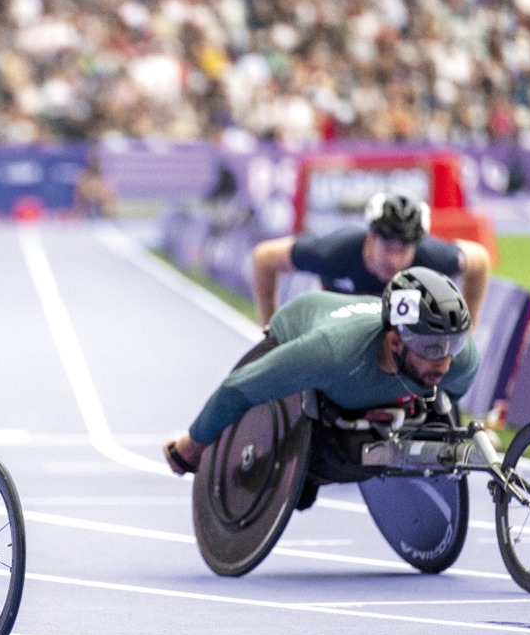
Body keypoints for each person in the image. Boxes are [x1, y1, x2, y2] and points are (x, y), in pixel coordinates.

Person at [164, 267, 480, 496]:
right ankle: (305, 472)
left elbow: (446, 405)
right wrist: (191, 446)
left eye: (455, 343)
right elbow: (238, 389)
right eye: (432, 348)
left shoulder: (462, 362)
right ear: (396, 342)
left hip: (360, 366)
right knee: (323, 473)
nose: (446, 360)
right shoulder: (329, 353)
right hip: (304, 329)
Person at [249, 192, 491, 328]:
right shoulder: (334, 253)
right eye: (387, 247)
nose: (394, 260)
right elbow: (264, 257)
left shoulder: (429, 256)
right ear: (371, 237)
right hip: (336, 328)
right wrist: (269, 329)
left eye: (403, 249)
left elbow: (479, 260)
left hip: (396, 335)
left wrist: (467, 331)